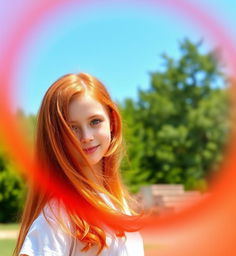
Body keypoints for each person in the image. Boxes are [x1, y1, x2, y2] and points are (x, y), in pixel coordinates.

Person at [14, 73, 144, 256]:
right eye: (71, 128)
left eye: (95, 121)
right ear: (54, 138)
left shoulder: (119, 204)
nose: (86, 137)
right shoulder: (59, 211)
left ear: (112, 122)